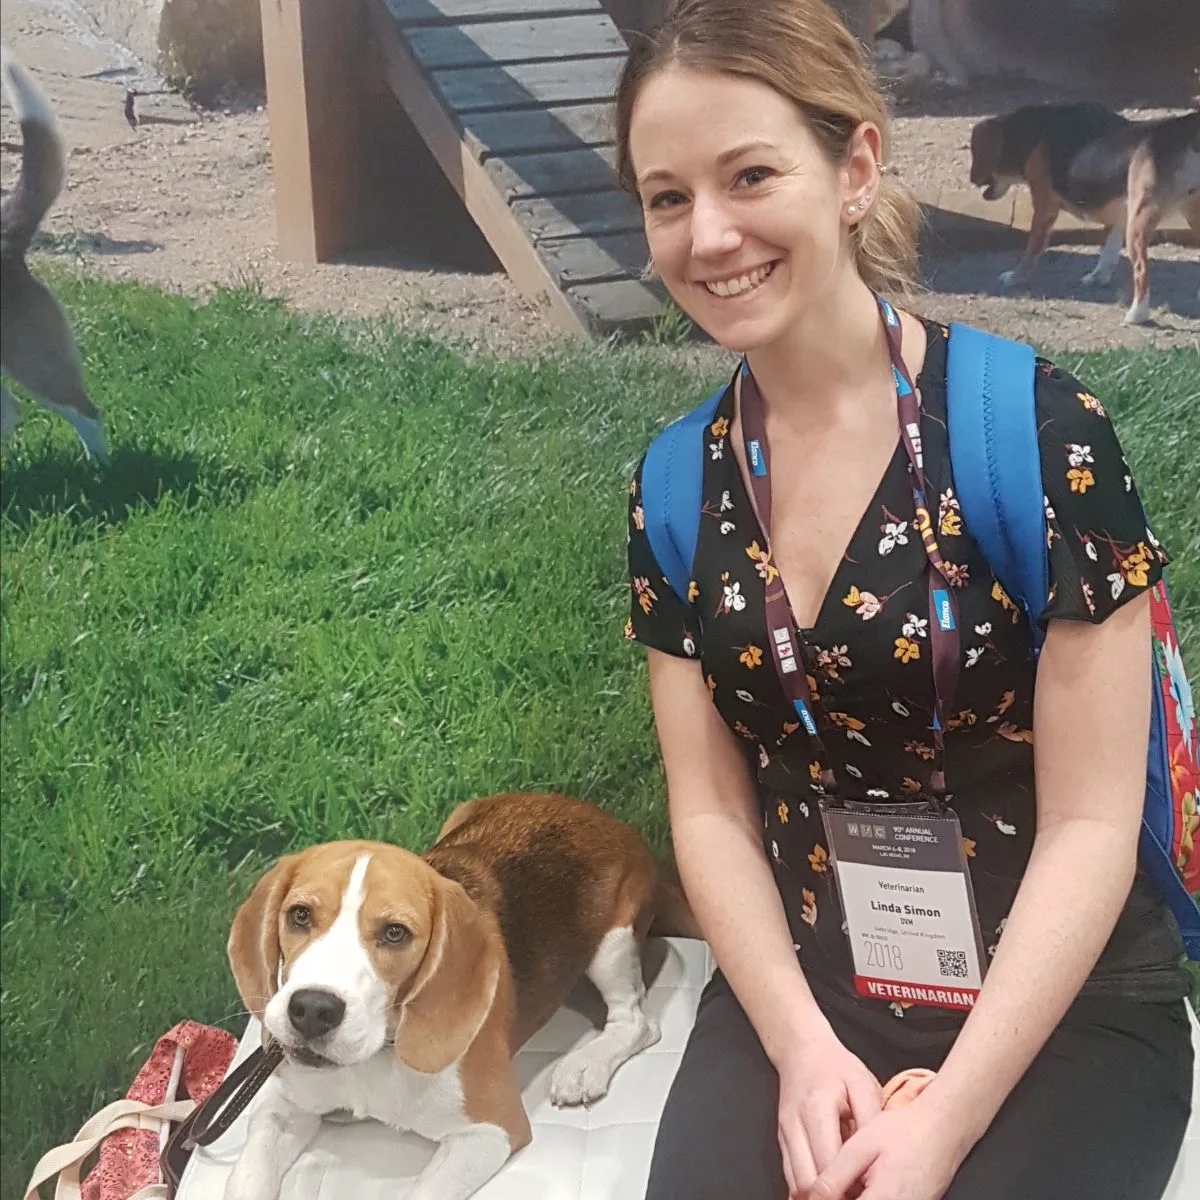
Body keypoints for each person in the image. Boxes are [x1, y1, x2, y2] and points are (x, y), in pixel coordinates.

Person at [617, 2, 1195, 1198]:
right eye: (667, 196)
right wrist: (796, 1045)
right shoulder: (678, 485)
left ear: (856, 168)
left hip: (1063, 1003)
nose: (708, 234)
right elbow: (711, 810)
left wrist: (945, 1125)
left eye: (750, 174)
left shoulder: (1035, 434)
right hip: (813, 989)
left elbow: (1092, 825)